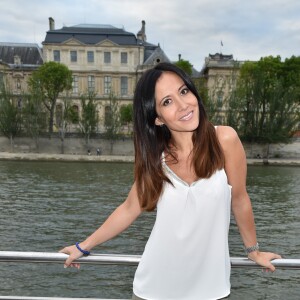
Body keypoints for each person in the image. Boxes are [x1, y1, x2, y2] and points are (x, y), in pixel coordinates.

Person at [60, 62, 281, 300]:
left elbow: (239, 199)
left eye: (184, 91)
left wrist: (253, 251)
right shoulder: (156, 159)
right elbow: (129, 208)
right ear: (157, 119)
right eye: (167, 101)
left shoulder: (224, 139)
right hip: (153, 289)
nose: (183, 104)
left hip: (211, 289)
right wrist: (83, 246)